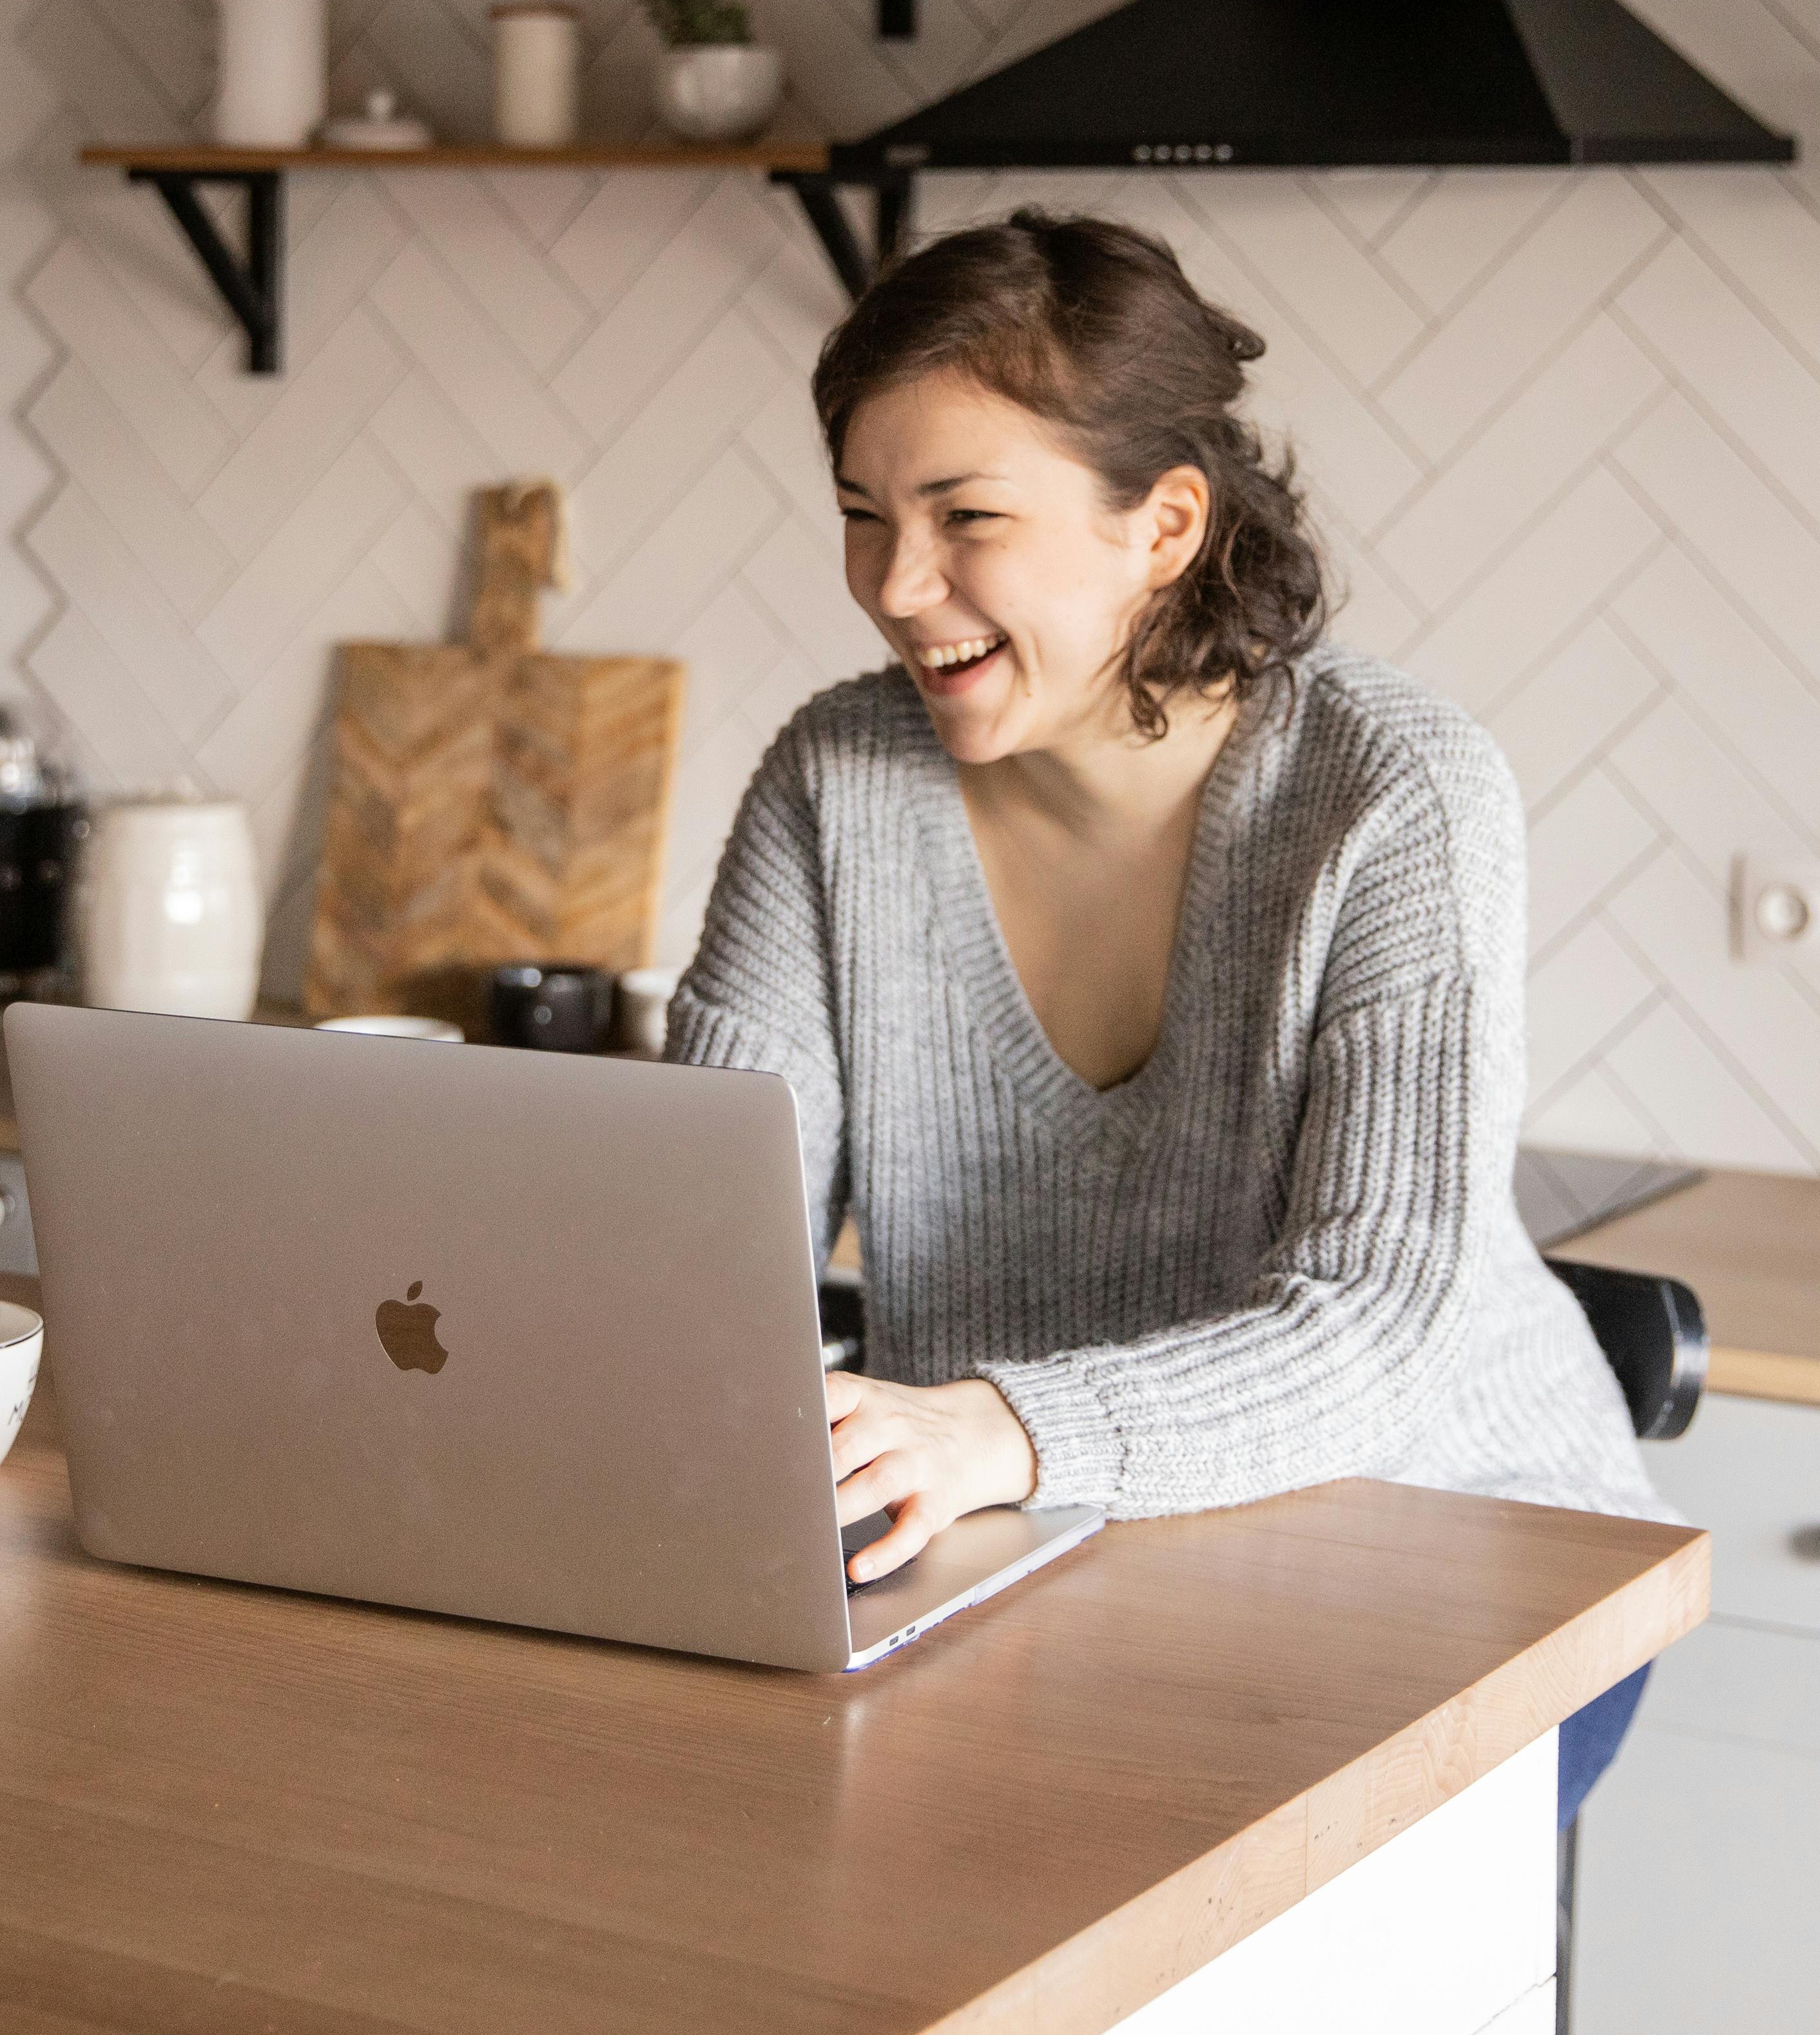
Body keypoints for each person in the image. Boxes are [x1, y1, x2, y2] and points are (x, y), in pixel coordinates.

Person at [664, 209, 1665, 1822]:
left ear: (1167, 522)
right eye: (861, 517)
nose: (898, 588)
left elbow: (1376, 1332)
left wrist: (1002, 1427)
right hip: (1026, 1564)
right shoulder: (833, 779)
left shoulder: (1388, 792)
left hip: (1459, 1566)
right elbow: (698, 1248)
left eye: (964, 517)